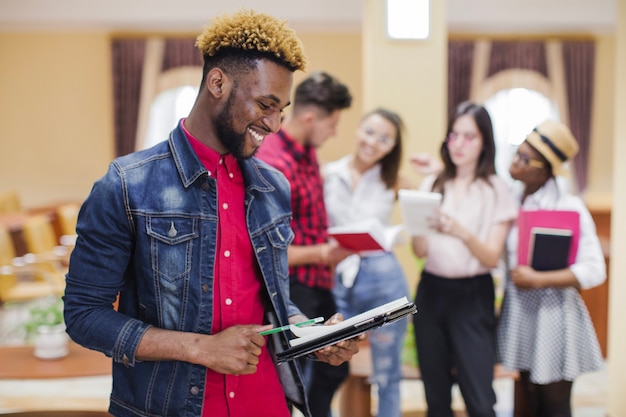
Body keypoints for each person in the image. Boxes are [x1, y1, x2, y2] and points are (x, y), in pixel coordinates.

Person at [63, 10, 359, 417]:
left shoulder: (274, 187)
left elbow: (273, 301)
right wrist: (201, 348)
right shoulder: (126, 185)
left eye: (282, 110)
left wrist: (307, 332)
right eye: (265, 105)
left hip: (267, 404)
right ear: (217, 82)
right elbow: (83, 316)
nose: (274, 124)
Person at [255, 71, 355, 417]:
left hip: (317, 281)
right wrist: (324, 253)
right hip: (293, 284)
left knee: (335, 364)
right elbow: (268, 249)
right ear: (310, 118)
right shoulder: (273, 163)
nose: (334, 133)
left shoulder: (308, 152)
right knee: (295, 377)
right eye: (332, 124)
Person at [410, 101, 518, 417]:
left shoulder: (496, 189)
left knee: (480, 398)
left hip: (473, 295)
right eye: (454, 135)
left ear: (485, 142)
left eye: (469, 137)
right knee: (436, 397)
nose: (459, 144)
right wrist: (417, 224)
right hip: (431, 292)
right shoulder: (434, 182)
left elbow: (491, 255)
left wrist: (460, 231)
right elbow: (420, 250)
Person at [496, 120, 606, 417]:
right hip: (520, 312)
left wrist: (539, 279)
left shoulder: (568, 207)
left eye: (524, 158)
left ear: (543, 169)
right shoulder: (510, 200)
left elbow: (595, 269)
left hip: (554, 315)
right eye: (516, 153)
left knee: (554, 403)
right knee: (527, 398)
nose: (515, 162)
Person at [323, 108, 410, 417]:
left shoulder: (393, 180)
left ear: (392, 147)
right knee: (330, 366)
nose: (374, 142)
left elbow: (432, 200)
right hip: (340, 277)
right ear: (358, 129)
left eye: (385, 139)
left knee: (387, 372)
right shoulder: (330, 173)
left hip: (383, 277)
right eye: (370, 132)